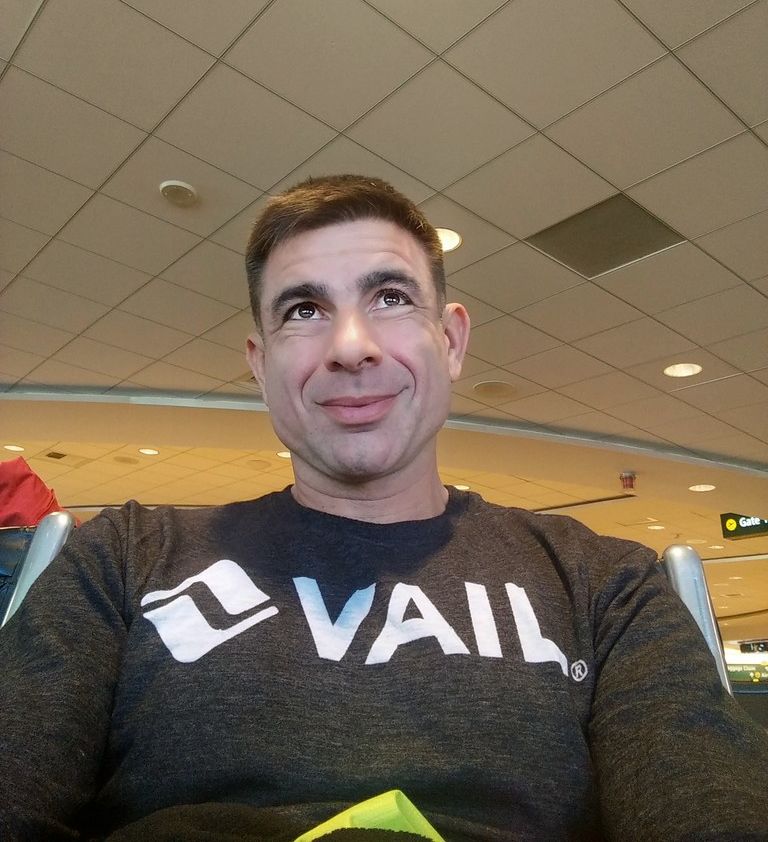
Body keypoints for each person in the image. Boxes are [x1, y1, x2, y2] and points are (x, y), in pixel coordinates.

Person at [0, 174, 766, 842]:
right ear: (261, 366)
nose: (350, 345)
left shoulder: (603, 584)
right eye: (303, 309)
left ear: (451, 341)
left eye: (391, 298)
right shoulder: (125, 558)